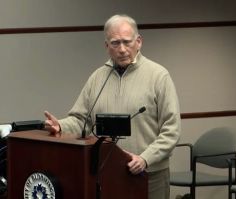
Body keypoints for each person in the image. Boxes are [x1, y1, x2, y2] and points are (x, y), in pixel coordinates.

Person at [44, 14, 181, 199]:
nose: (122, 49)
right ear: (106, 46)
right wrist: (60, 126)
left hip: (149, 175)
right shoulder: (98, 78)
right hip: (107, 174)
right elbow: (81, 120)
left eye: (127, 42)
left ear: (139, 42)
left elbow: (171, 130)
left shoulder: (159, 76)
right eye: (115, 43)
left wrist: (145, 159)